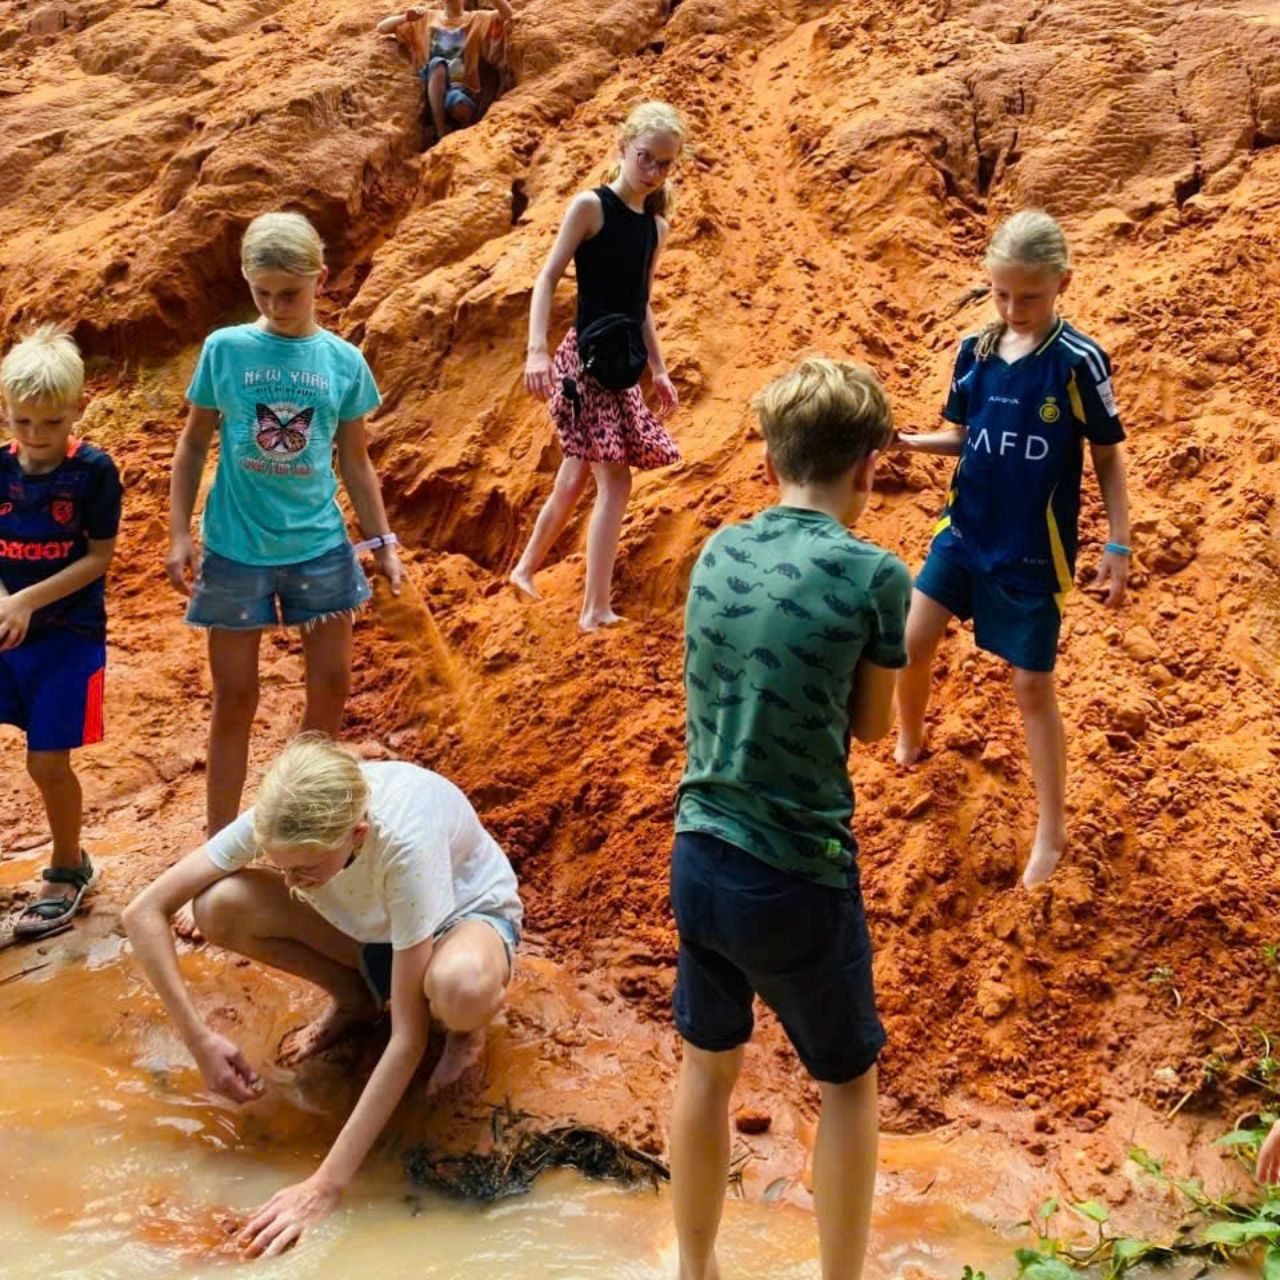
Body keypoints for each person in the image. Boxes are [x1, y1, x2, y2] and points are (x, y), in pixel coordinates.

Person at [669, 358, 911, 1280]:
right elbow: (872, 724)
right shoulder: (876, 574)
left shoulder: (718, 550)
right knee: (847, 1084)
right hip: (797, 871)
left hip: (698, 854)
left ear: (771, 460)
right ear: (869, 467)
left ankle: (696, 1268)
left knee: (705, 1069)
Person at [122, 734, 523, 1258]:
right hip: (372, 927)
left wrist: (325, 1187)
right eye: (281, 866)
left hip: (457, 924)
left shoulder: (404, 845)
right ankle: (355, 998)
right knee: (218, 903)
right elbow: (142, 912)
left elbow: (407, 1037)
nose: (291, 883)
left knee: (457, 989)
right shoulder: (285, 815)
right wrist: (198, 1039)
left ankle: (465, 1034)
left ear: (357, 835)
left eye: (305, 870)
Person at [893, 209, 1131, 891]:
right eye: (1000, 293)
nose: (1012, 308)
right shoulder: (974, 351)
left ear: (1062, 283)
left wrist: (1118, 541)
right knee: (912, 639)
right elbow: (962, 436)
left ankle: (1051, 829)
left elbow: (1107, 455)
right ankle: (910, 739)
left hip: (1032, 547)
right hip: (964, 529)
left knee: (1031, 686)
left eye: (1028, 296)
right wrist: (906, 443)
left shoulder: (1078, 361)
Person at [167, 211, 403, 842]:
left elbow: (355, 461)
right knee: (234, 697)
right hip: (235, 546)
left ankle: (295, 820)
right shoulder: (226, 350)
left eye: (289, 294)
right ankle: (221, 845)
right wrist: (179, 532)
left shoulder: (343, 362)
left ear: (320, 281)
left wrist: (382, 541)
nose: (275, 307)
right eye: (262, 292)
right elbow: (193, 443)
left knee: (331, 685)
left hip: (319, 545)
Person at [509, 100, 683, 631]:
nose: (652, 171)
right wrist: (536, 350)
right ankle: (594, 610)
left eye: (664, 164)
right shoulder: (591, 207)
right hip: (584, 363)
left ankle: (523, 569)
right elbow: (547, 277)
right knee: (617, 484)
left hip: (619, 366)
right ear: (623, 148)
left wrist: (659, 369)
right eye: (645, 157)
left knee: (574, 474)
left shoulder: (655, 228)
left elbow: (640, 303)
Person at [0, 327, 122, 939]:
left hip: (68, 634)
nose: (36, 435)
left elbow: (99, 557)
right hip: (7, 626)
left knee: (47, 762)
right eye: (22, 421)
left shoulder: (93, 472)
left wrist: (26, 600)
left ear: (77, 409)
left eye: (50, 422)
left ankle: (69, 864)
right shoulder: (0, 467)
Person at [377, 0, 512, 142]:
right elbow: (382, 28)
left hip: (459, 86)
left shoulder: (476, 19)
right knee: (438, 65)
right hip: (431, 76)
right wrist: (404, 18)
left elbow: (507, 14)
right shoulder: (426, 17)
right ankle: (440, 132)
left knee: (460, 106)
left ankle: (464, 135)